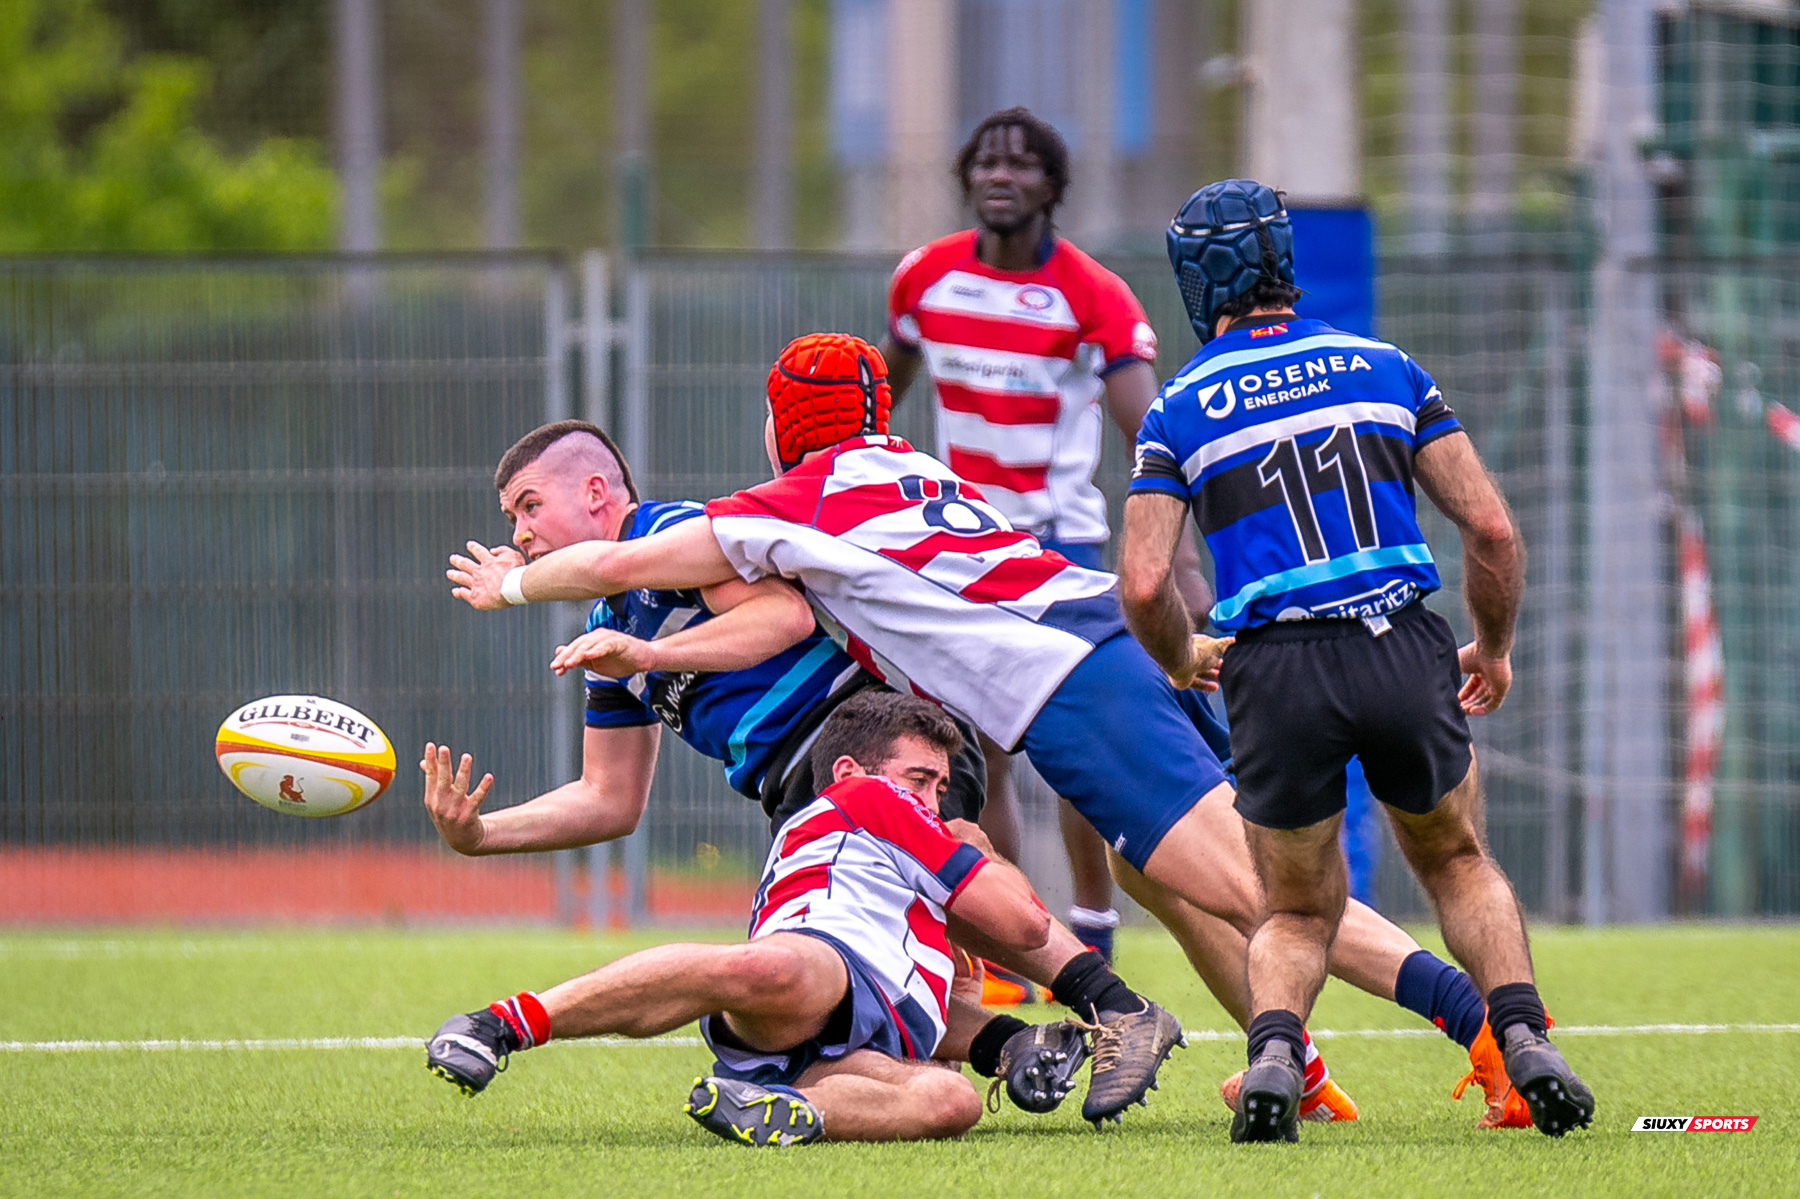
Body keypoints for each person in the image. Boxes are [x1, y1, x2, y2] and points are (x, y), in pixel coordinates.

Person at [446, 332, 1522, 1129]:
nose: (523, 533)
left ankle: (1485, 1025)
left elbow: (630, 565)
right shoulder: (906, 464)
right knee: (1162, 880)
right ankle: (1284, 1053)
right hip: (1096, 654)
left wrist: (514, 586)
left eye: (527, 513)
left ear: (781, 430)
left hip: (1069, 682)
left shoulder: (790, 505)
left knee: (1266, 892)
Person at [418, 417, 1178, 1122]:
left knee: (954, 877)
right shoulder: (605, 629)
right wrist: (481, 833)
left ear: (593, 493)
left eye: (527, 507)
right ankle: (1005, 1044)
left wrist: (655, 655)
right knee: (850, 971)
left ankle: (1116, 1007)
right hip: (797, 796)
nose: (519, 535)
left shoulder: (669, 534)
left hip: (870, 738)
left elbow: (781, 617)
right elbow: (607, 798)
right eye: (512, 520)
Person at [1122, 178, 1595, 1142]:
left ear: (1195, 281)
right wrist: (1492, 649)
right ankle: (1524, 1035)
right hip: (1400, 642)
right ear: (1285, 264)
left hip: (1274, 669)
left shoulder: (1176, 409)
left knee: (1297, 906)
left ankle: (1274, 1056)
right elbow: (1493, 530)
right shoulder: (1384, 365)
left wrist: (1184, 656)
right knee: (1459, 860)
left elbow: (1139, 583)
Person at [880, 108, 1213, 968]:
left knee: (1078, 751)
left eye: (1023, 164)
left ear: (1054, 187)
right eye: (987, 161)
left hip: (1063, 550)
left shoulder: (1093, 292)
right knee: (978, 751)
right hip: (962, 554)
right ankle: (1009, 946)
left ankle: (1092, 928)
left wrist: (1181, 556)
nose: (1002, 174)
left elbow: (1154, 430)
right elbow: (878, 398)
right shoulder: (925, 280)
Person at [426, 692, 1057, 1145]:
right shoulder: (859, 806)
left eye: (941, 789)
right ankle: (500, 1025)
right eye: (920, 779)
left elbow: (930, 1001)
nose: (933, 800)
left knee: (951, 1101)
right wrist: (980, 850)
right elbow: (1025, 925)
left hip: (871, 1041)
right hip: (817, 971)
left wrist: (1006, 1041)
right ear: (850, 775)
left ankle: (776, 1110)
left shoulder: (924, 871)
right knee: (779, 968)